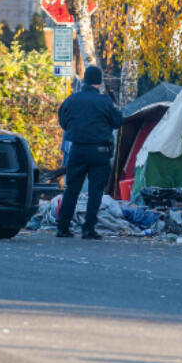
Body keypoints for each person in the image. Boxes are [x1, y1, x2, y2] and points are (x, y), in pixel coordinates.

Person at [56, 65, 122, 239]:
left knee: (72, 189)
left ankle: (63, 226)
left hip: (77, 148)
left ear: (85, 79)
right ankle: (88, 228)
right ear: (99, 81)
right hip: (100, 150)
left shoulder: (71, 99)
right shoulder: (105, 101)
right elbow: (117, 122)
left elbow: (63, 121)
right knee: (95, 191)